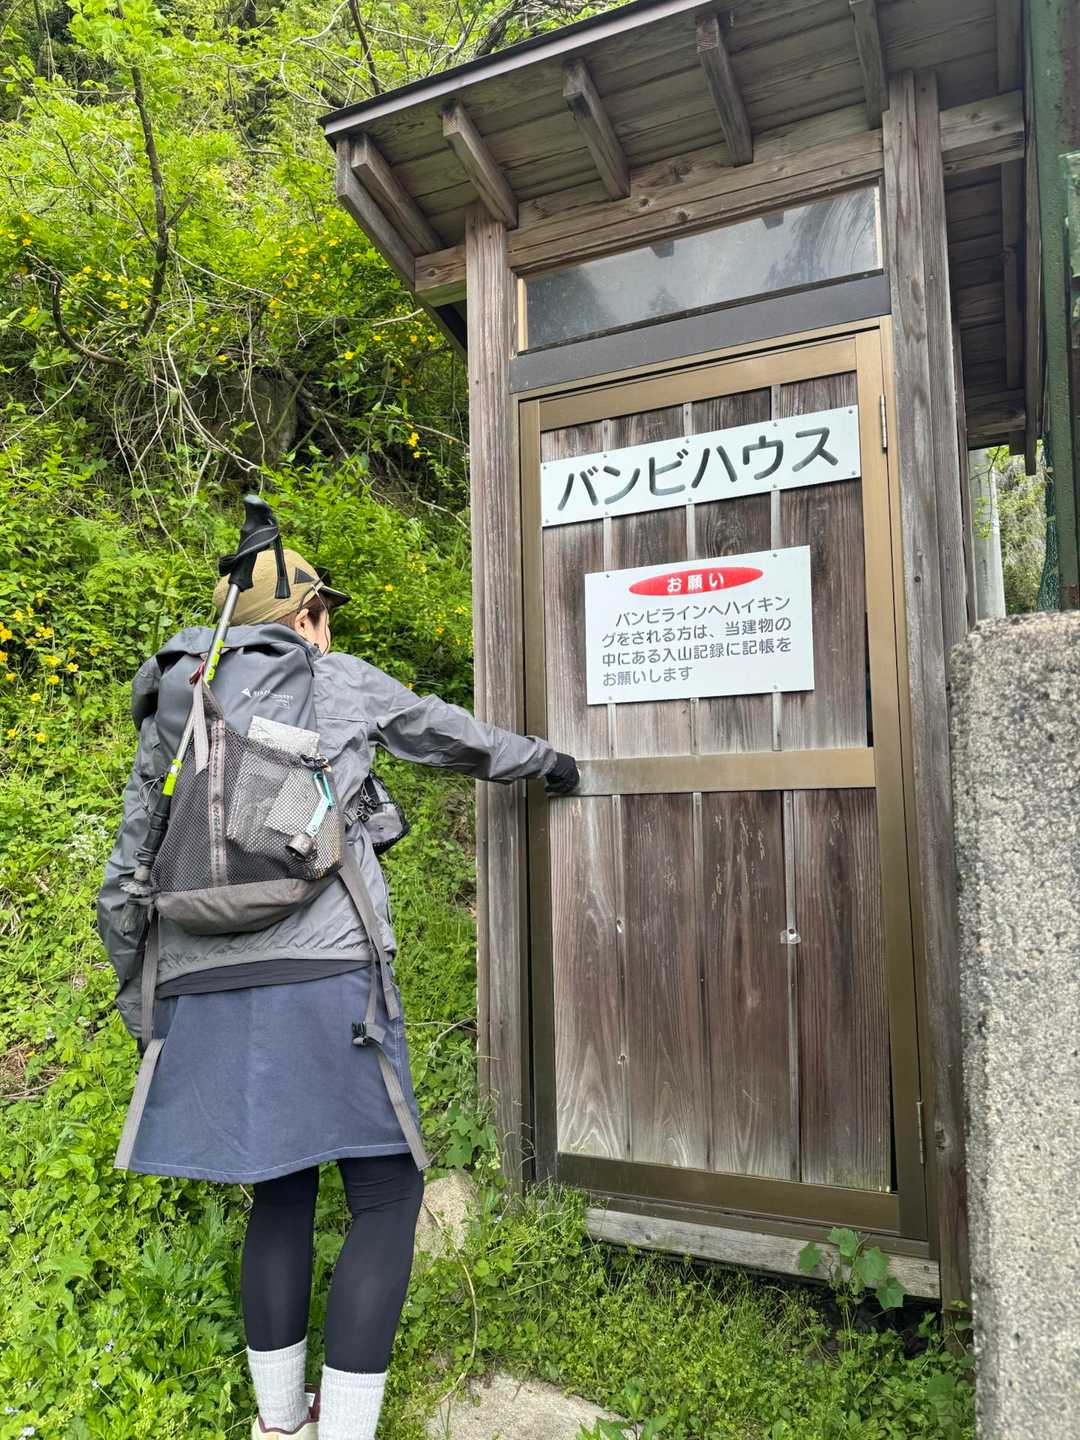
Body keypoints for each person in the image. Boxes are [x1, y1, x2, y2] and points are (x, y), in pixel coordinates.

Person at [97, 545, 579, 1440]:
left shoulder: (180, 701)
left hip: (201, 981)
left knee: (280, 1195)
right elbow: (450, 734)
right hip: (327, 976)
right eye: (325, 615)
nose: (329, 630)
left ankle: (280, 1427)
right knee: (388, 1195)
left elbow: (127, 871)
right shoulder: (336, 679)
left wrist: (147, 1011)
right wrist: (550, 763)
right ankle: (347, 1430)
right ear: (305, 618)